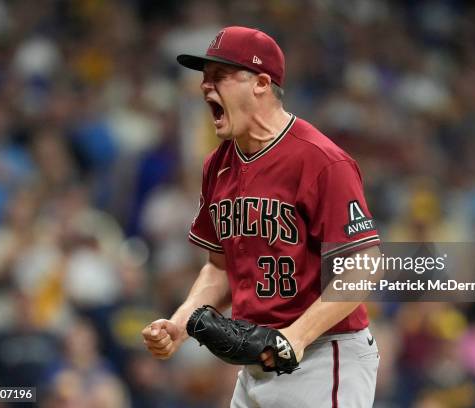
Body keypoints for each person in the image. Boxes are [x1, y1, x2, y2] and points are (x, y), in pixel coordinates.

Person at [142, 26, 380, 407]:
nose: (205, 87)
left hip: (323, 356)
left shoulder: (320, 160)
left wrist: (296, 337)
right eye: (204, 78)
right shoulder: (217, 165)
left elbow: (364, 264)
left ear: (261, 83)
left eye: (219, 76)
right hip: (257, 363)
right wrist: (182, 321)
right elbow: (219, 267)